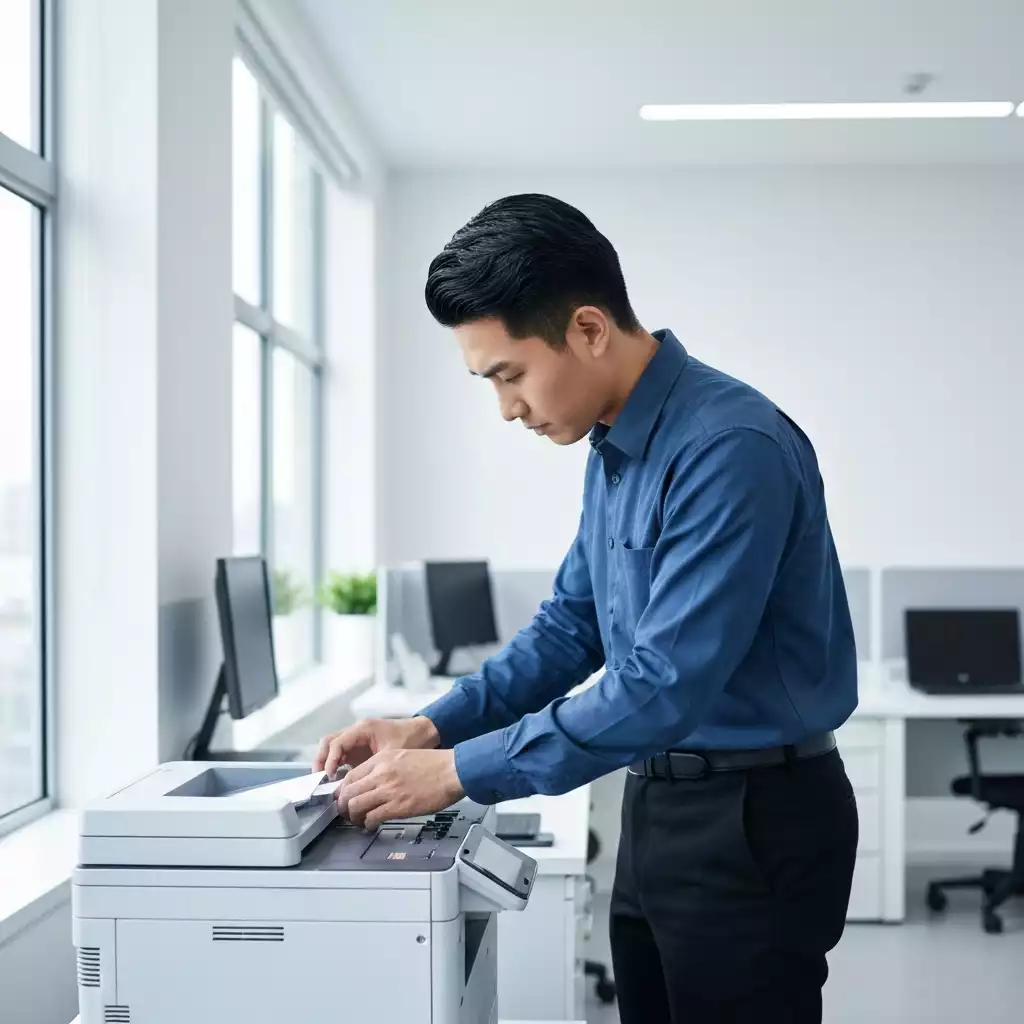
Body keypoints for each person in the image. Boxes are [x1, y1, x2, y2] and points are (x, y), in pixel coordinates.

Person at [315, 193, 859, 1024]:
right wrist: (426, 730)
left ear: (590, 330)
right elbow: (572, 628)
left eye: (511, 374)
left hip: (753, 819)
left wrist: (458, 772)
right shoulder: (616, 448)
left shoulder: (728, 448)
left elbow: (661, 683)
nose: (506, 408)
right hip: (661, 806)